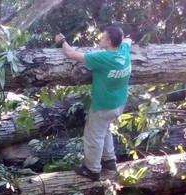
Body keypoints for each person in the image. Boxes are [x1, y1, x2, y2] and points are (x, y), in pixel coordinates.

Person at [54, 27, 132, 181]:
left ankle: (92, 169)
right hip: (119, 103)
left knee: (93, 136)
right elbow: (129, 40)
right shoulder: (123, 49)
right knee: (104, 129)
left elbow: (71, 54)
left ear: (109, 42)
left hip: (103, 105)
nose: (100, 39)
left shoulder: (103, 57)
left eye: (103, 37)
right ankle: (109, 161)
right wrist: (126, 38)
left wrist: (62, 41)